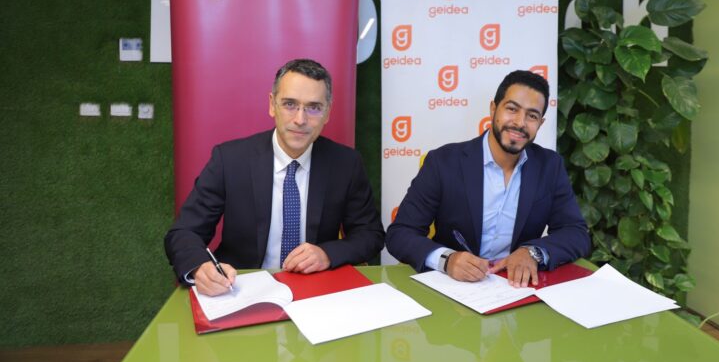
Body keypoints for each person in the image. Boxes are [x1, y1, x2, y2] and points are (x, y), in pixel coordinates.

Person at [165, 59, 385, 296]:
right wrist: (200, 267)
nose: (300, 119)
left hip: (316, 291)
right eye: (290, 104)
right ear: (272, 105)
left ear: (327, 113)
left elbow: (370, 234)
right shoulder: (229, 160)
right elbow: (184, 232)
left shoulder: (346, 163)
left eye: (313, 107)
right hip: (240, 289)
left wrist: (328, 254)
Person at [386, 70, 590, 288]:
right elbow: (400, 234)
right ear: (493, 109)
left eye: (532, 116)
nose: (520, 122)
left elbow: (575, 233)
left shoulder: (549, 166)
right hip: (450, 285)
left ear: (540, 123)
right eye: (512, 109)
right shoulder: (443, 162)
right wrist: (447, 260)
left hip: (515, 288)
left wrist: (532, 252)